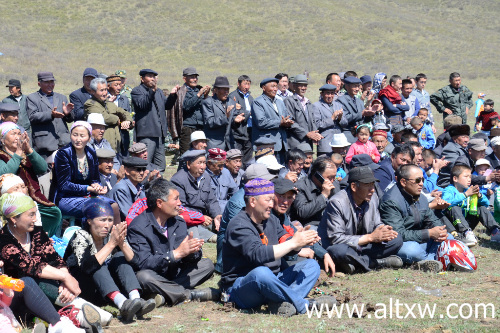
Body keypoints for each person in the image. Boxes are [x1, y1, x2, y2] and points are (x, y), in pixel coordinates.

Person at [220, 178, 336, 317]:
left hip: (273, 281)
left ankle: (283, 303)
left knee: (311, 266)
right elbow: (259, 254)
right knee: (261, 273)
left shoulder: (271, 219)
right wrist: (293, 243)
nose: (271, 204)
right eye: (268, 200)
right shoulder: (238, 225)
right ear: (252, 202)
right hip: (242, 287)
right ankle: (304, 305)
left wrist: (300, 241)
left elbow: (284, 238)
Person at [0, 192, 113, 331]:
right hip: (15, 298)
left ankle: (80, 316)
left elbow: (55, 259)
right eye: (31, 215)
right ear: (13, 219)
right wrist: (65, 277)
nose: (35, 219)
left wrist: (65, 281)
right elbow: (30, 266)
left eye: (35, 214)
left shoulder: (36, 232)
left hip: (47, 294)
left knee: (47, 282)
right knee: (31, 280)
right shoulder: (3, 240)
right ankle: (78, 316)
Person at [127, 178, 217, 307]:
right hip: (154, 275)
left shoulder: (178, 222)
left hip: (175, 274)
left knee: (207, 264)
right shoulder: (138, 227)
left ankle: (165, 293)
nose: (180, 203)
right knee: (143, 277)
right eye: (175, 199)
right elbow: (143, 263)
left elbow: (188, 259)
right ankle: (189, 294)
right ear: (159, 203)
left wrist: (192, 251)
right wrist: (175, 254)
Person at [64, 198, 156, 322]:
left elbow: (137, 263)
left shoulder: (111, 234)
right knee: (97, 264)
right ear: (90, 221)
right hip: (84, 287)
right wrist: (111, 244)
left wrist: (121, 244)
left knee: (119, 257)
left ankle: (136, 300)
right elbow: (86, 267)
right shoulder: (80, 236)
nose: (107, 225)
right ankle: (123, 304)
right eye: (102, 220)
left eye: (110, 220)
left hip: (106, 287)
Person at [318, 166, 403, 274]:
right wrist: (370, 237)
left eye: (373, 185)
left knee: (397, 239)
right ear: (354, 186)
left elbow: (377, 223)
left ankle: (355, 263)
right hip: (341, 245)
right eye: (367, 185)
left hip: (362, 246)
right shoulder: (337, 202)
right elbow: (336, 239)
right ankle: (376, 263)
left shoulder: (373, 198)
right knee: (339, 251)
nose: (372, 190)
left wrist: (383, 231)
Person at [379, 164, 449, 272]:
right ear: (403, 182)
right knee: (413, 251)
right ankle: (431, 258)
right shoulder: (391, 201)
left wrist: (440, 231)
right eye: (417, 180)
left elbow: (431, 218)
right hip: (401, 243)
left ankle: (427, 260)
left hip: (419, 238)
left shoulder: (421, 197)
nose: (421, 184)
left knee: (449, 239)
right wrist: (429, 233)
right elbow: (398, 234)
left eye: (422, 180)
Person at [49, 121, 120, 223]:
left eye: (82, 136)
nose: (78, 139)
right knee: (98, 207)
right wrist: (89, 188)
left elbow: (95, 179)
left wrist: (97, 187)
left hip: (86, 196)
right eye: (75, 135)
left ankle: (117, 236)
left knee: (113, 206)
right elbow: (64, 185)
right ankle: (94, 237)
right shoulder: (63, 154)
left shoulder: (91, 153)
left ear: (89, 138)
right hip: (65, 198)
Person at [0, 122, 62, 237]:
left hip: (32, 197)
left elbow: (43, 168)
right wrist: (17, 154)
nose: (17, 137)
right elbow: (5, 173)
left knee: (54, 213)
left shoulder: (25, 154)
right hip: (13, 201)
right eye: (13, 134)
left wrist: (29, 150)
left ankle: (43, 239)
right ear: (2, 140)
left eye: (19, 133)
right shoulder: (1, 155)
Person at [216, 164, 277, 273]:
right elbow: (246, 239)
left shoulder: (264, 204)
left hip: (259, 254)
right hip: (239, 262)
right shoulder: (240, 204)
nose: (267, 184)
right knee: (262, 273)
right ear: (251, 182)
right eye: (263, 180)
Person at [272, 178, 336, 274]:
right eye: (281, 196)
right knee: (307, 267)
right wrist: (298, 250)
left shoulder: (282, 215)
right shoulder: (267, 216)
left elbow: (293, 234)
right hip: (270, 264)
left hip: (286, 255)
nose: (285, 202)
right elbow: (269, 250)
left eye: (289, 197)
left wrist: (324, 254)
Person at [131, 69, 179, 172]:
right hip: (147, 134)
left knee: (160, 166)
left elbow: (167, 106)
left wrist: (172, 95)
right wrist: (151, 91)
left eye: (154, 76)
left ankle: (157, 185)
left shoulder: (159, 91)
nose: (153, 78)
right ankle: (143, 185)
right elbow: (142, 104)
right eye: (149, 76)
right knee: (145, 163)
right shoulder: (137, 91)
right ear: (142, 78)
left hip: (159, 134)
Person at [170, 150, 222, 242]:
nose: (203, 167)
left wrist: (217, 215)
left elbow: (212, 200)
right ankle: (211, 237)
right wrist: (200, 218)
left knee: (224, 222)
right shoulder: (178, 180)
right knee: (192, 231)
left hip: (205, 217)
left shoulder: (206, 177)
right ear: (189, 164)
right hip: (189, 219)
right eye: (199, 163)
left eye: (204, 163)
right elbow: (181, 208)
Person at [441, 165, 500, 244]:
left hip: (467, 223)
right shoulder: (449, 190)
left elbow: (486, 204)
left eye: (470, 177)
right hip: (454, 225)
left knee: (480, 207)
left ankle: (495, 231)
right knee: (454, 207)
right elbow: (446, 203)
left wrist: (479, 196)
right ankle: (466, 234)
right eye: (466, 176)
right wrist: (465, 195)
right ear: (455, 178)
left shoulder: (469, 189)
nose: (469, 179)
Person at [26, 72, 74, 160]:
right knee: (46, 172)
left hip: (64, 142)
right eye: (47, 82)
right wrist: (51, 115)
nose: (50, 85)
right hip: (44, 144)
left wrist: (68, 114)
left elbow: (70, 119)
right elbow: (32, 116)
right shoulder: (32, 98)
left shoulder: (61, 97)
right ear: (39, 84)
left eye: (52, 82)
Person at [84, 77, 133, 153]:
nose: (105, 93)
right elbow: (105, 118)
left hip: (115, 146)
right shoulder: (90, 104)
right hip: (101, 147)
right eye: (101, 90)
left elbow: (122, 111)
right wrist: (118, 119)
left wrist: (128, 121)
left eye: (105, 89)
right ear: (93, 92)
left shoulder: (107, 102)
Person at [290, 156, 339, 229]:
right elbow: (302, 212)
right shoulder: (301, 186)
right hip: (312, 225)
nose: (332, 181)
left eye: (334, 177)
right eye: (329, 177)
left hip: (333, 223)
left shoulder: (334, 184)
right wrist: (323, 195)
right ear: (317, 175)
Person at [251, 78, 292, 164]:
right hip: (267, 145)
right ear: (264, 88)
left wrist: (288, 122)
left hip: (282, 145)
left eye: (276, 86)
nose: (275, 89)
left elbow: (285, 117)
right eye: (272, 86)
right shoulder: (258, 102)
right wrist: (280, 123)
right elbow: (261, 122)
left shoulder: (280, 102)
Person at [284, 74, 323, 149]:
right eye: (300, 86)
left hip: (307, 142)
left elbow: (312, 120)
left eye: (305, 86)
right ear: (294, 86)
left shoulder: (308, 102)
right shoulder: (289, 101)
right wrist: (307, 134)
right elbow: (291, 122)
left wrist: (315, 133)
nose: (303, 88)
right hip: (295, 143)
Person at [178, 67, 210, 155]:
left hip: (200, 127)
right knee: (187, 154)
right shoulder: (181, 91)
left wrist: (206, 96)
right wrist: (198, 95)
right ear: (184, 78)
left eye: (196, 77)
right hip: (188, 128)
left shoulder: (198, 89)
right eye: (192, 77)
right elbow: (186, 106)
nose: (195, 79)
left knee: (200, 153)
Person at [337, 76, 375, 143]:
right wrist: (361, 114)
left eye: (358, 86)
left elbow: (364, 120)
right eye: (354, 86)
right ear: (347, 87)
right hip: (348, 133)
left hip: (360, 135)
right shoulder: (341, 101)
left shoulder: (359, 101)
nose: (357, 89)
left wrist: (370, 114)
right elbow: (344, 119)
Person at [227, 75, 253, 167]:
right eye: (245, 84)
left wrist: (245, 112)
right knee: (238, 159)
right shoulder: (233, 96)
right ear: (238, 84)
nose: (247, 87)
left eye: (249, 84)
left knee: (248, 159)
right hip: (238, 133)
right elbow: (235, 113)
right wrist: (248, 113)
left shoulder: (250, 97)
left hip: (249, 132)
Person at [201, 76, 233, 149]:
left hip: (229, 144)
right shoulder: (208, 102)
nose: (226, 92)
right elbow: (210, 122)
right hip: (214, 144)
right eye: (224, 89)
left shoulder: (230, 101)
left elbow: (235, 116)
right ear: (216, 90)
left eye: (227, 89)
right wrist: (225, 116)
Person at [313, 84, 343, 155]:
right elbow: (317, 124)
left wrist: (340, 118)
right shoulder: (316, 106)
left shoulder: (338, 105)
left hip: (339, 143)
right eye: (327, 93)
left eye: (332, 93)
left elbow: (345, 123)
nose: (330, 96)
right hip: (326, 144)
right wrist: (332, 118)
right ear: (322, 94)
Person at [107, 75, 133, 157]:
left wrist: (129, 123)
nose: (119, 87)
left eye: (120, 84)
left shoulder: (124, 99)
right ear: (108, 86)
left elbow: (128, 114)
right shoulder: (103, 99)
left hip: (123, 138)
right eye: (116, 85)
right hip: (109, 137)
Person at [205, 148, 237, 213]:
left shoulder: (226, 172)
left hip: (226, 209)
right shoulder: (203, 175)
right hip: (209, 211)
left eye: (223, 165)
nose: (222, 168)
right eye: (219, 166)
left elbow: (235, 192)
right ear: (209, 163)